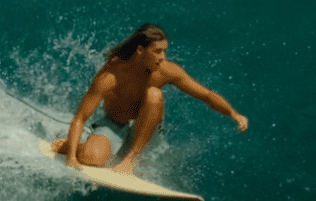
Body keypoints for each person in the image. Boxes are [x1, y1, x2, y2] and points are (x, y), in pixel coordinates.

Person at [50, 23, 249, 175]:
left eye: (164, 51)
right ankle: (74, 144)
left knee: (154, 94)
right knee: (91, 158)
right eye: (157, 51)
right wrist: (72, 157)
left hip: (149, 132)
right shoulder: (111, 75)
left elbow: (206, 95)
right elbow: (80, 118)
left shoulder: (166, 71)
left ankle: (131, 159)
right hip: (114, 125)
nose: (163, 57)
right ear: (140, 50)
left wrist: (234, 113)